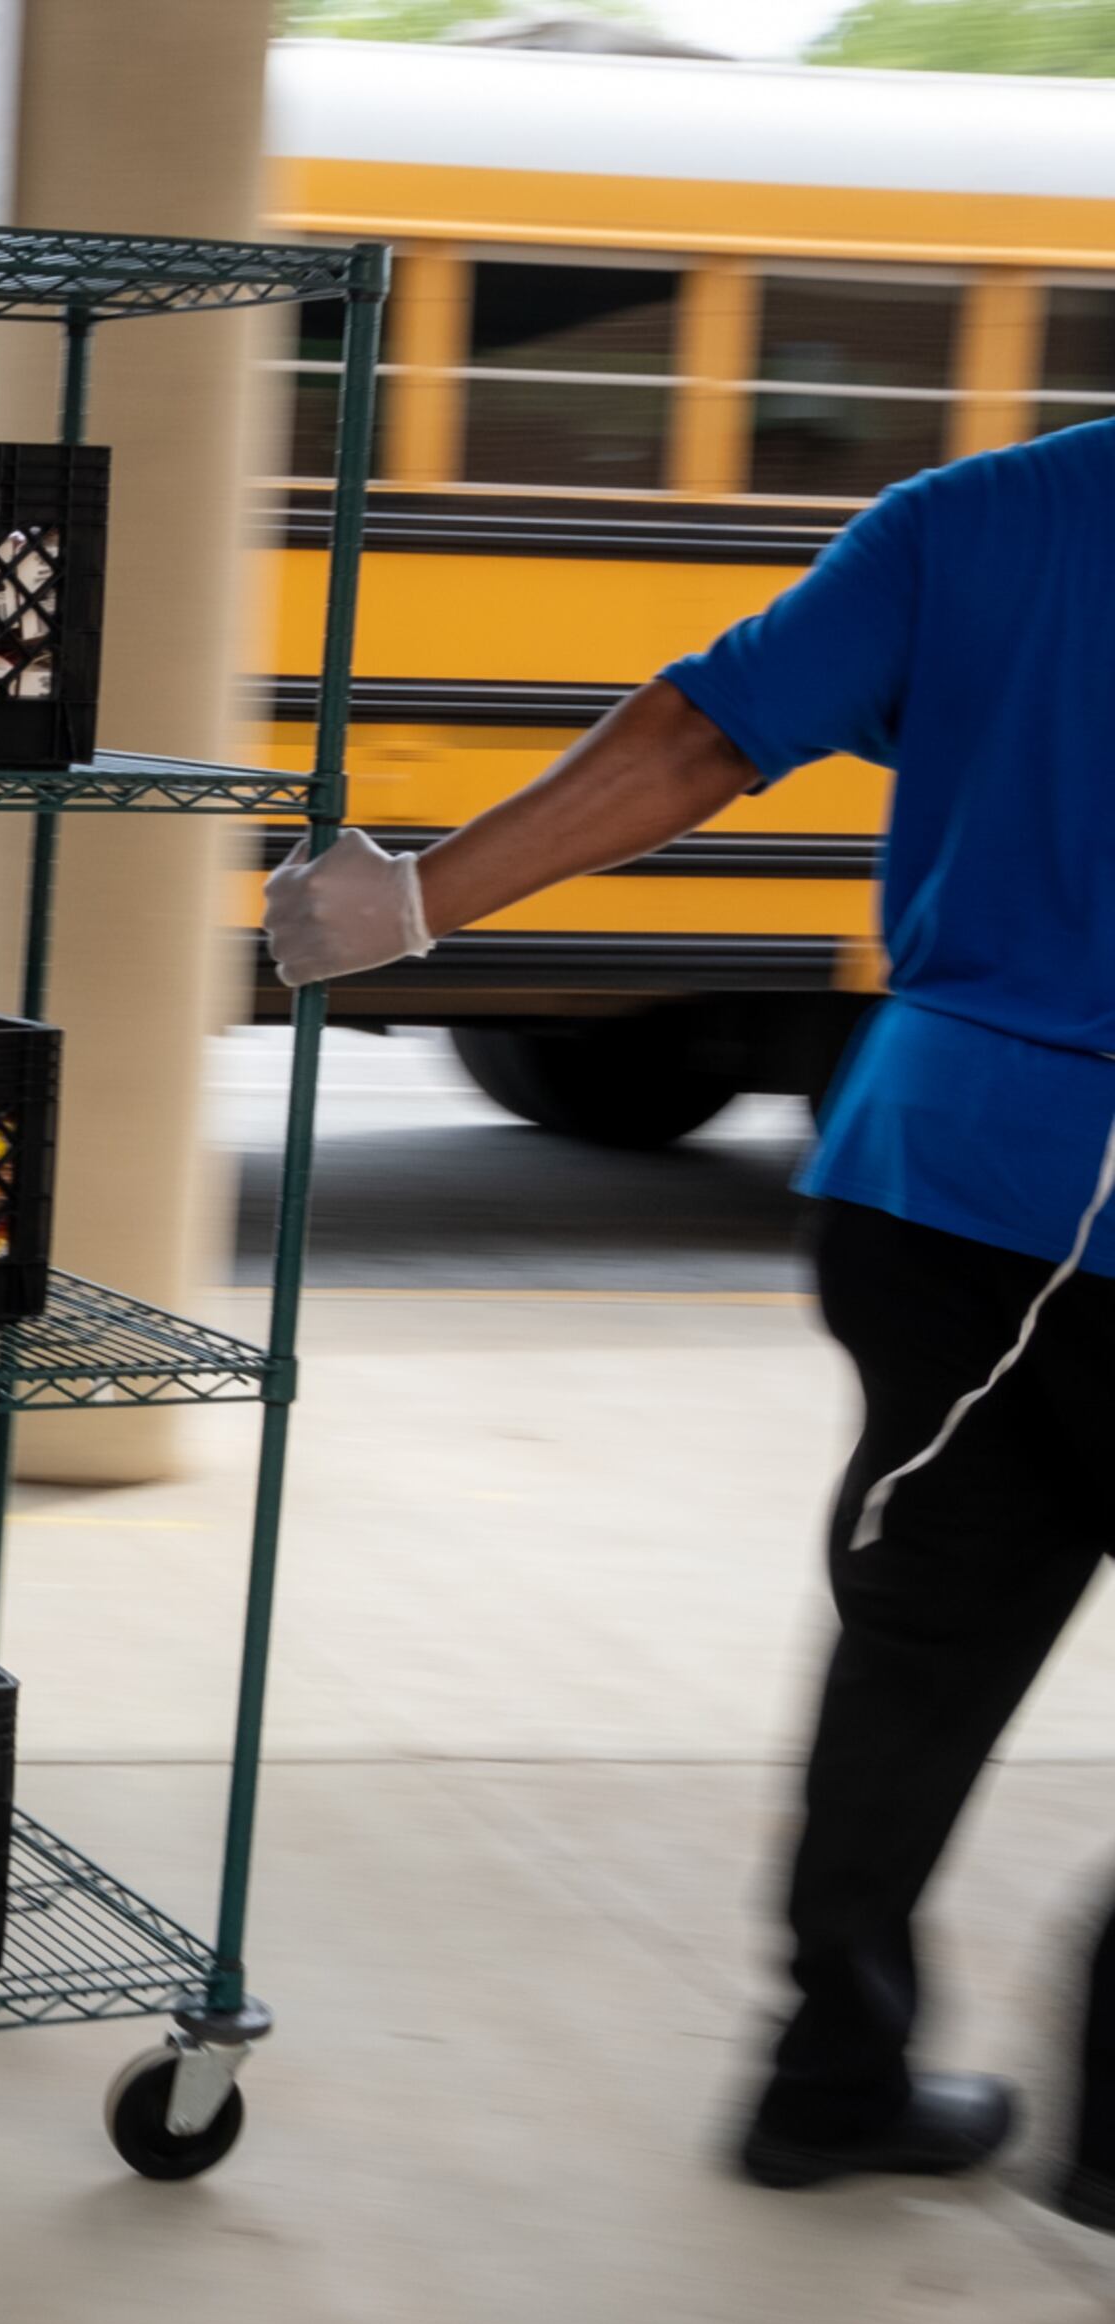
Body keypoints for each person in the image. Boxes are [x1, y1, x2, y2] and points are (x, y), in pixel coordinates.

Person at [263, 415, 1115, 2213]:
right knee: (920, 1643)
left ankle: (831, 2078)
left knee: (915, 1650)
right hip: (1024, 1201)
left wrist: (416, 899)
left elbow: (695, 737)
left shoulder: (975, 516)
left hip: (942, 1187)